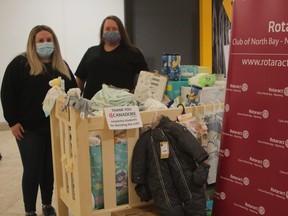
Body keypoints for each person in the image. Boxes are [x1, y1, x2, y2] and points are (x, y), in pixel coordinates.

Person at [1, 25, 77, 216]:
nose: (45, 44)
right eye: (41, 41)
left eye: (49, 40)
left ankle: (46, 204)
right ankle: (29, 210)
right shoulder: (20, 64)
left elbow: (73, 93)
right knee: (32, 169)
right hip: (28, 129)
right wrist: (13, 121)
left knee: (49, 169)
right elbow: (7, 93)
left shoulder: (61, 66)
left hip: (54, 127)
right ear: (33, 43)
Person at [75, 15, 149, 99]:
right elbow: (80, 79)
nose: (111, 31)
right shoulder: (91, 51)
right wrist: (75, 97)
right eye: (107, 29)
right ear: (102, 31)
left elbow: (147, 79)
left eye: (114, 29)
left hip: (120, 107)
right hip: (90, 106)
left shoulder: (133, 52)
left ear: (121, 31)